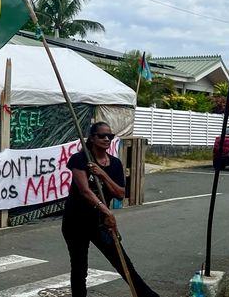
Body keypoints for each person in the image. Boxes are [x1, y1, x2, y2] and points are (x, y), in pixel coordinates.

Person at [62, 121, 159, 297]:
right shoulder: (80, 159)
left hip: (100, 223)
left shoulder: (114, 164)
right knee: (79, 267)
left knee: (123, 263)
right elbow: (84, 191)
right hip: (75, 221)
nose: (107, 139)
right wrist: (106, 210)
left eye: (110, 136)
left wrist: (103, 174)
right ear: (92, 138)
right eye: (101, 136)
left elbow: (120, 194)